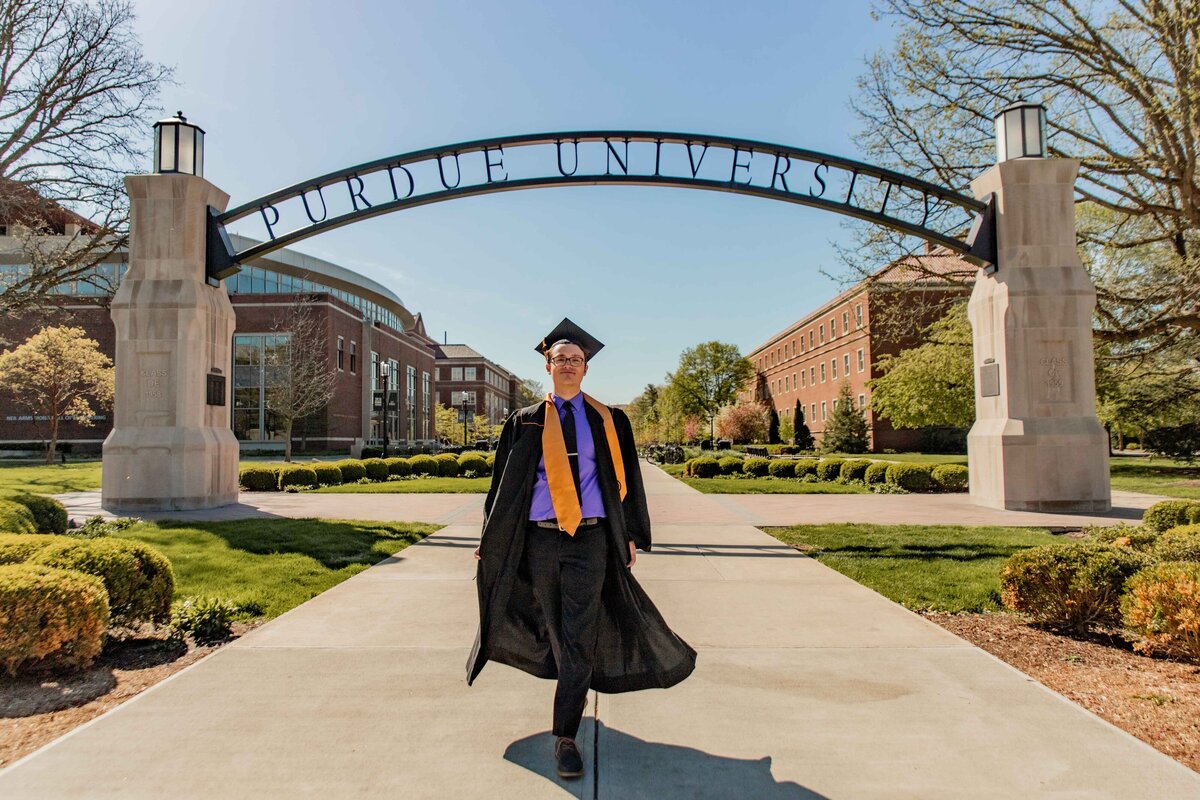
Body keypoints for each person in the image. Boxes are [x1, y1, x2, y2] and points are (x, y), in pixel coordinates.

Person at [467, 318, 695, 780]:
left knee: (579, 632)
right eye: (560, 359)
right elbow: (502, 488)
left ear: (585, 368)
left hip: (590, 538)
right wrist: (491, 539)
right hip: (539, 538)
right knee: (555, 628)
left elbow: (627, 481)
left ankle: (565, 735)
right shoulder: (525, 421)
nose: (568, 365)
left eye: (576, 360)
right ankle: (569, 686)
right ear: (547, 366)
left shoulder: (608, 420)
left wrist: (630, 533)